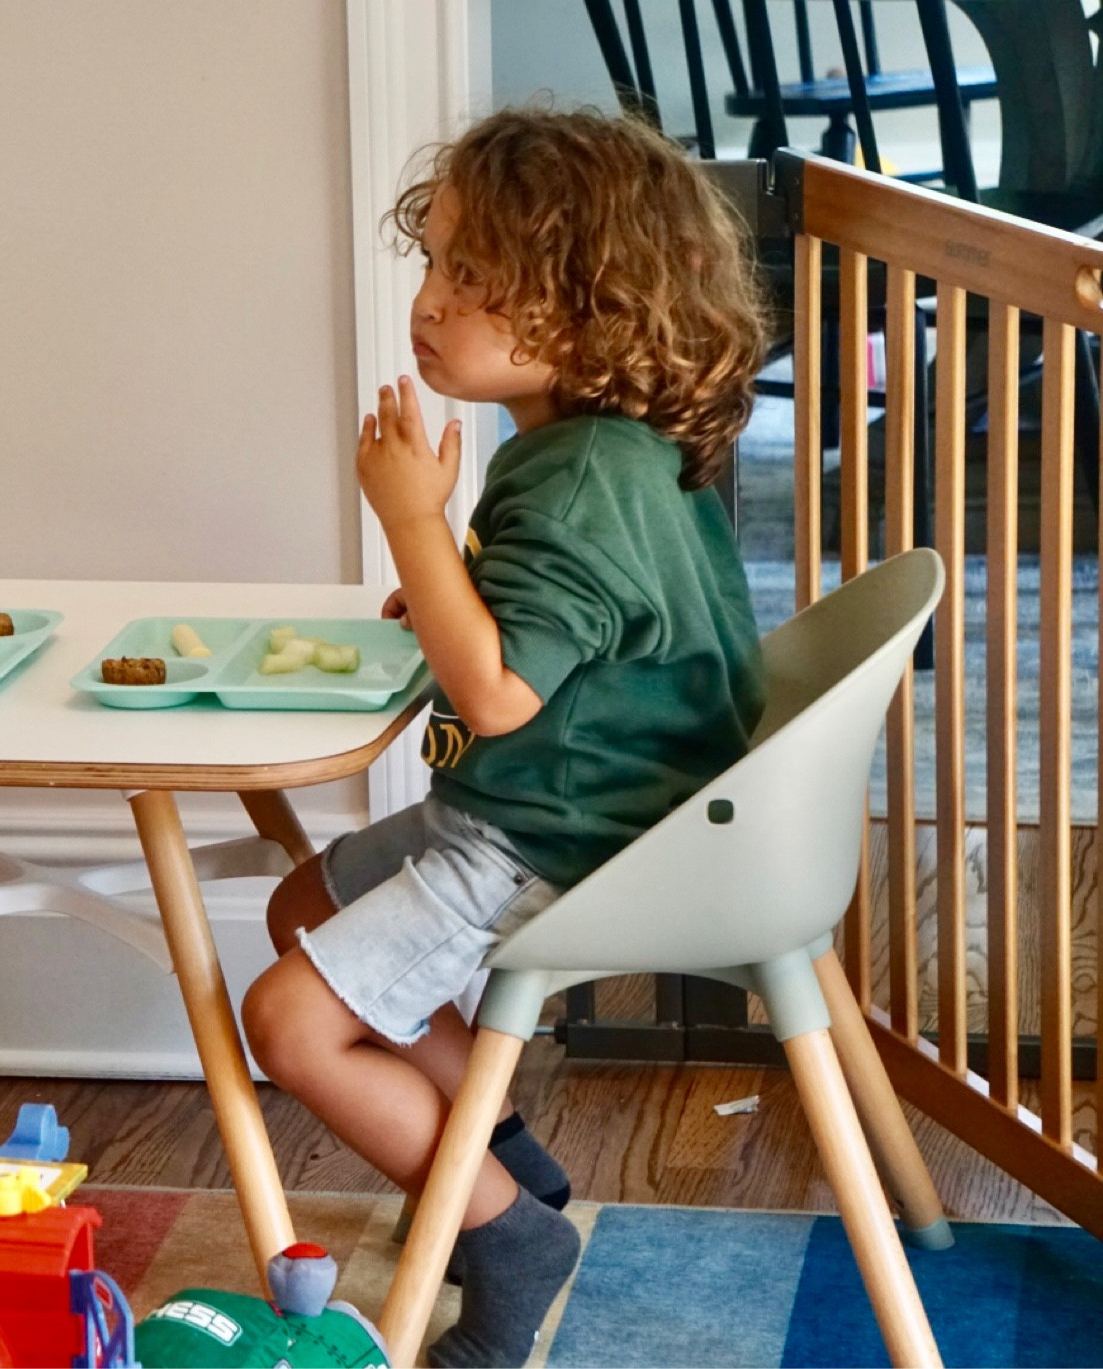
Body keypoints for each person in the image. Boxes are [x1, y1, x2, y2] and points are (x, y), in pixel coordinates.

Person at [240, 108, 770, 1368]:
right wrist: (447, 589)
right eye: (431, 263)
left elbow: (497, 700)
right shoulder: (601, 450)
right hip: (582, 798)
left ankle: (503, 1231)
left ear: (594, 310)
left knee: (287, 1021)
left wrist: (410, 524)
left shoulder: (573, 476)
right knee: (299, 906)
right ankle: (501, 1154)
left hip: (556, 829)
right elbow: (560, 628)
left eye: (473, 278)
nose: (429, 303)